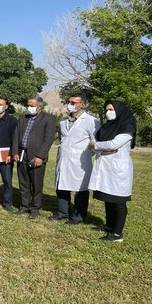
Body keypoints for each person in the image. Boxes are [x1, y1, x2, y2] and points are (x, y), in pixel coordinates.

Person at [88, 101, 136, 242]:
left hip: (118, 167)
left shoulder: (127, 127)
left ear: (119, 110)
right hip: (104, 165)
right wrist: (99, 146)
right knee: (108, 197)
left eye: (111, 109)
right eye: (107, 109)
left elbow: (114, 144)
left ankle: (117, 233)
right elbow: (93, 144)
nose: (108, 112)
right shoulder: (106, 127)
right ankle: (109, 226)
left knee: (118, 201)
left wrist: (97, 145)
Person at [51, 93, 100, 224]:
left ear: (82, 105)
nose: (69, 104)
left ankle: (79, 216)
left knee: (81, 189)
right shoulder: (63, 121)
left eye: (73, 102)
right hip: (64, 158)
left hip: (80, 161)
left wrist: (84, 156)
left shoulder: (91, 121)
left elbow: (96, 142)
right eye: (69, 101)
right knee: (61, 186)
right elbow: (63, 139)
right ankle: (63, 212)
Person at [12, 96, 56, 219]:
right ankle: (24, 206)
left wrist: (40, 156)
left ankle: (35, 208)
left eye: (32, 105)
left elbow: (48, 140)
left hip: (36, 157)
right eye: (28, 105)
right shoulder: (22, 118)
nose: (29, 108)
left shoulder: (48, 119)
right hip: (22, 154)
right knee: (23, 182)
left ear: (39, 107)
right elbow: (16, 136)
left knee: (36, 183)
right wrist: (15, 151)